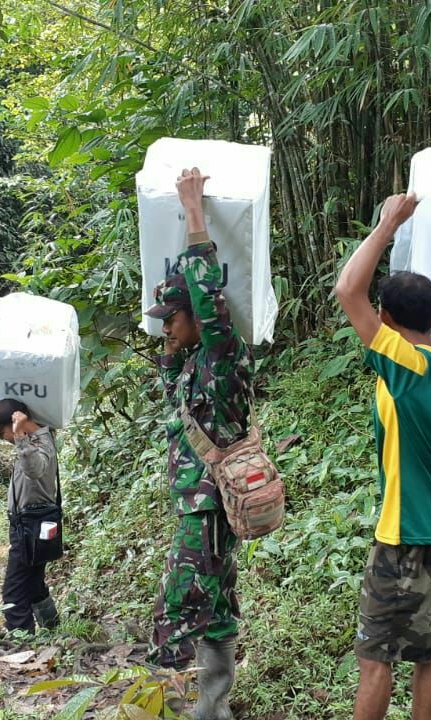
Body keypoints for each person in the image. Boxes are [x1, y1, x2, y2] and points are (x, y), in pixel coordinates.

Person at [334, 193, 431, 720]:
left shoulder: (406, 364)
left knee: (375, 660)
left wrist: (387, 223)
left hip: (406, 537)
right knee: (426, 648)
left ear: (387, 319)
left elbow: (349, 290)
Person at [143, 167, 254, 720]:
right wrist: (168, 339)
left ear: (200, 319)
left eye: (173, 319)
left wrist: (193, 216)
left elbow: (208, 300)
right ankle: (214, 709)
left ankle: (177, 702)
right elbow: (169, 385)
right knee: (217, 607)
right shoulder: (190, 368)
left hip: (209, 509)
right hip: (202, 505)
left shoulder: (221, 358)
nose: (166, 328)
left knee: (181, 604)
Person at [0, 397, 61, 633]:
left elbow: (34, 469)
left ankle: (22, 646)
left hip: (30, 528)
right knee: (34, 584)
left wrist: (19, 435)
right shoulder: (41, 437)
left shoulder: (36, 446)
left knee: (13, 592)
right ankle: (52, 629)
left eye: (0, 431)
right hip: (29, 526)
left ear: (16, 424)